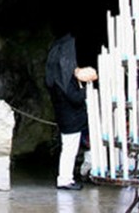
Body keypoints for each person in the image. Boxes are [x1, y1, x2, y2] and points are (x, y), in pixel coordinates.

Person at [45, 32, 97, 190]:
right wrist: (87, 89)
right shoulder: (65, 83)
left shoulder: (55, 81)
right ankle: (65, 179)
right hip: (71, 121)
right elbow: (75, 98)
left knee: (69, 149)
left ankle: (66, 178)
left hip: (67, 120)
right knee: (69, 150)